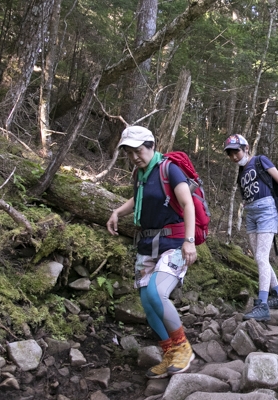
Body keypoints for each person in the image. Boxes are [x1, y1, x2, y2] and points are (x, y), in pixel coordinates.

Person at [106, 126, 197, 378]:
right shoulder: (140, 174)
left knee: (158, 293)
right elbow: (139, 199)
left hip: (175, 242)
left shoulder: (170, 170)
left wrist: (189, 241)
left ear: (151, 146)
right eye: (130, 152)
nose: (135, 156)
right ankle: (169, 354)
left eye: (139, 150)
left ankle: (183, 348)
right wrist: (117, 212)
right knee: (147, 303)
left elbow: (187, 204)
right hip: (147, 244)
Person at [224, 134, 278, 322]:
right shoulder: (241, 172)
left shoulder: (260, 160)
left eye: (237, 152)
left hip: (267, 210)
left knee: (261, 257)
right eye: (230, 154)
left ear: (246, 148)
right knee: (260, 258)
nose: (234, 157)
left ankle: (262, 304)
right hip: (251, 213)